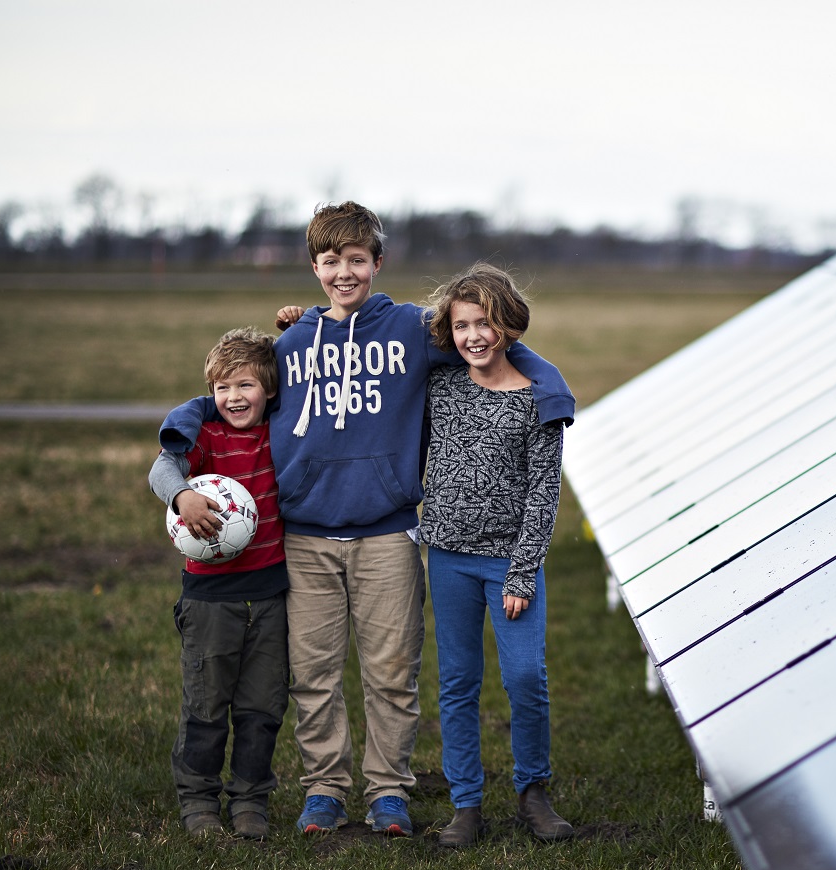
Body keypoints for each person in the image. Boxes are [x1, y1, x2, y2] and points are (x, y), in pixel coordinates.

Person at [159, 202, 574, 837]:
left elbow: (496, 348)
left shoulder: (413, 329)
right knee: (315, 673)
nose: (344, 273)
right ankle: (324, 789)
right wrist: (180, 428)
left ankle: (389, 793)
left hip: (387, 531)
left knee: (390, 672)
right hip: (307, 536)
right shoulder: (293, 342)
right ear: (315, 268)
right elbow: (229, 391)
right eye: (331, 261)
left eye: (357, 259)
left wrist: (554, 393)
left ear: (377, 263)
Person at [419, 264, 574, 847]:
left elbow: (543, 493)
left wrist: (522, 571)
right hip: (449, 558)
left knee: (525, 678)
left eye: (484, 322)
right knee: (457, 682)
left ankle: (533, 791)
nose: (473, 336)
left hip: (509, 564)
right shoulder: (442, 387)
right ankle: (466, 804)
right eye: (461, 326)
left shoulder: (540, 400)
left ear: (507, 325)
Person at [150, 328, 288, 840]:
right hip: (209, 602)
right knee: (206, 709)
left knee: (262, 708)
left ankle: (250, 800)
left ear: (270, 390)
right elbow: (161, 470)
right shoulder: (203, 439)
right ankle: (198, 801)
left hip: (271, 598)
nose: (234, 397)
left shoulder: (282, 432)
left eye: (246, 385)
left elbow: (311, 376)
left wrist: (297, 330)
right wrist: (182, 497)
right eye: (223, 387)